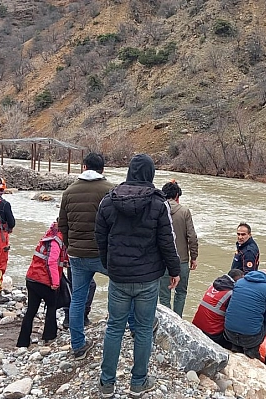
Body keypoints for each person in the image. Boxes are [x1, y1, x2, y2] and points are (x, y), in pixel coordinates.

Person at [95, 153, 181, 398]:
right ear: (150, 174)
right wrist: (174, 270)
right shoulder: (158, 202)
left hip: (119, 277)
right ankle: (138, 382)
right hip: (147, 278)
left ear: (129, 172)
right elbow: (167, 242)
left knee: (114, 328)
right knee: (143, 330)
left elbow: (100, 238)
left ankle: (107, 383)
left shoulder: (109, 201)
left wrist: (108, 264)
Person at [58, 152, 113, 356]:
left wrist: (71, 246)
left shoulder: (69, 191)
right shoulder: (110, 190)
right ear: (102, 169)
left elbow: (62, 225)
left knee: (77, 299)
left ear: (84, 167)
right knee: (118, 293)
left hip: (77, 255)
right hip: (104, 254)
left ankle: (78, 345)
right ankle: (121, 334)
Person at [17, 222, 66, 347]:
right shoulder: (57, 241)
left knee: (31, 311)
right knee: (51, 306)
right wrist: (55, 283)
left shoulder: (48, 236)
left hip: (32, 278)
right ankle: (49, 337)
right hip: (44, 282)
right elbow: (51, 262)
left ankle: (22, 342)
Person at [158, 180, 198, 317]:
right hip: (181, 260)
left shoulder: (158, 209)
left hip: (162, 261)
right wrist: (194, 257)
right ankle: (178, 320)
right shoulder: (184, 212)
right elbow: (192, 237)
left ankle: (166, 322)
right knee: (181, 293)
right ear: (177, 196)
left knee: (164, 296)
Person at [223, 268, 266, 359]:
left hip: (229, 333)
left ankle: (235, 346)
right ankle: (252, 351)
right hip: (250, 338)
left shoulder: (239, 282)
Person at [192, 269, 244, 348]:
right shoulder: (231, 294)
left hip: (196, 326)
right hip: (213, 333)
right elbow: (236, 317)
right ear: (237, 281)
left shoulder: (214, 285)